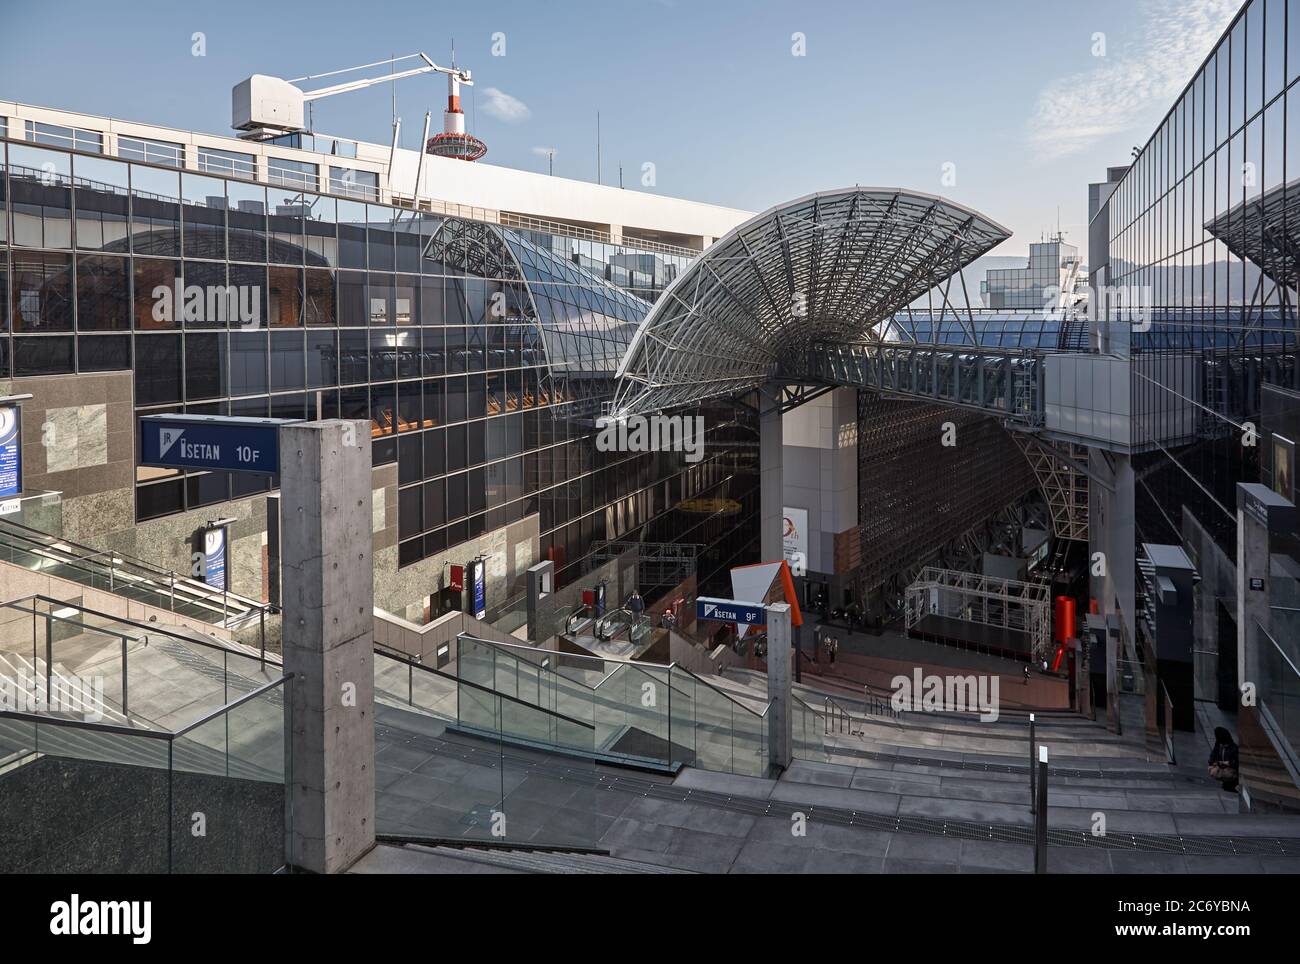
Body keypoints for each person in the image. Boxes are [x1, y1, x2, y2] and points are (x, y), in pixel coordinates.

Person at [1208, 726, 1239, 793]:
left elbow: (1235, 763)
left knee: (1218, 773)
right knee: (1212, 770)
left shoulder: (1233, 748)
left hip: (1230, 770)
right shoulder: (1219, 745)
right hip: (1222, 768)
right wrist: (1213, 762)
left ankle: (1231, 784)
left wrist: (1225, 763)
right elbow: (1213, 755)